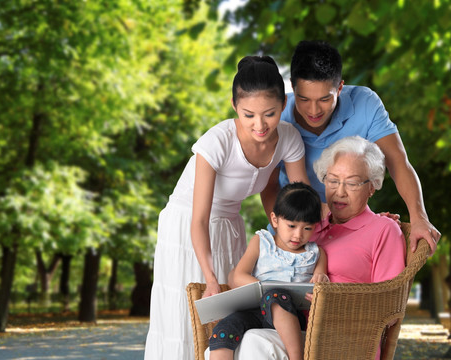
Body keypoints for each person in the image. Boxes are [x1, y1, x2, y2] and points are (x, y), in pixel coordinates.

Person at [144, 55, 309, 360]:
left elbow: (296, 200)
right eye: (248, 115)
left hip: (231, 224)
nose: (260, 125)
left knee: (231, 313)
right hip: (189, 225)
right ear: (235, 106)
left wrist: (290, 245)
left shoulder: (288, 138)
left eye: (270, 114)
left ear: (283, 105)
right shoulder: (216, 143)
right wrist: (209, 279)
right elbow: (199, 218)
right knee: (190, 315)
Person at [234, 136, 406, 359]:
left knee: (254, 340)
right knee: (225, 343)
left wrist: (333, 300)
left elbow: (390, 306)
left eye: (352, 183)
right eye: (332, 180)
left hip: (341, 337)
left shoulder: (384, 229)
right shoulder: (310, 227)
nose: (340, 192)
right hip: (290, 324)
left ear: (371, 187)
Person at [269, 40, 440, 254]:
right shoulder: (277, 117)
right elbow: (269, 186)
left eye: (324, 99)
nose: (313, 110)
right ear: (292, 87)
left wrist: (418, 219)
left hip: (351, 230)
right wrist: (283, 238)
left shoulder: (366, 103)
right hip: (294, 232)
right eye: (304, 99)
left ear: (340, 87)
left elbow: (398, 163)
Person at [208, 182, 328, 360]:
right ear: (275, 220)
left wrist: (321, 279)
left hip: (289, 315)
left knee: (275, 297)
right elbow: (239, 275)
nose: (298, 235)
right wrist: (262, 287)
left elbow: (321, 283)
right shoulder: (261, 241)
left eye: (307, 228)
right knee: (224, 331)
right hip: (253, 311)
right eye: (291, 226)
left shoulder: (316, 253)